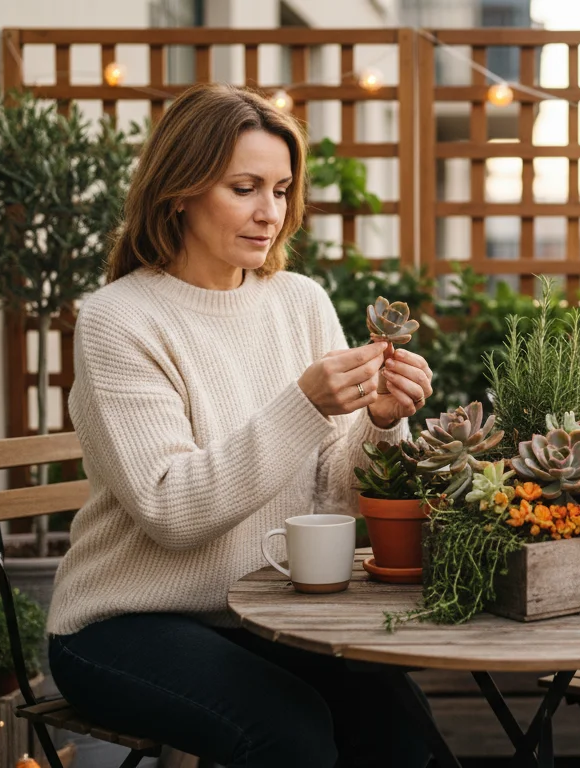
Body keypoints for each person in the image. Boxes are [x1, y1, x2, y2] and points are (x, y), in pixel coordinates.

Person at [45, 82, 434, 767]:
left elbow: (341, 498)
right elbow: (172, 509)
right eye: (245, 187)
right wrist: (305, 404)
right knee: (288, 732)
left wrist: (380, 422)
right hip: (122, 622)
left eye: (282, 190)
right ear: (180, 192)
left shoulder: (300, 301)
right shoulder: (119, 320)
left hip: (267, 611)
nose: (270, 213)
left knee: (396, 722)